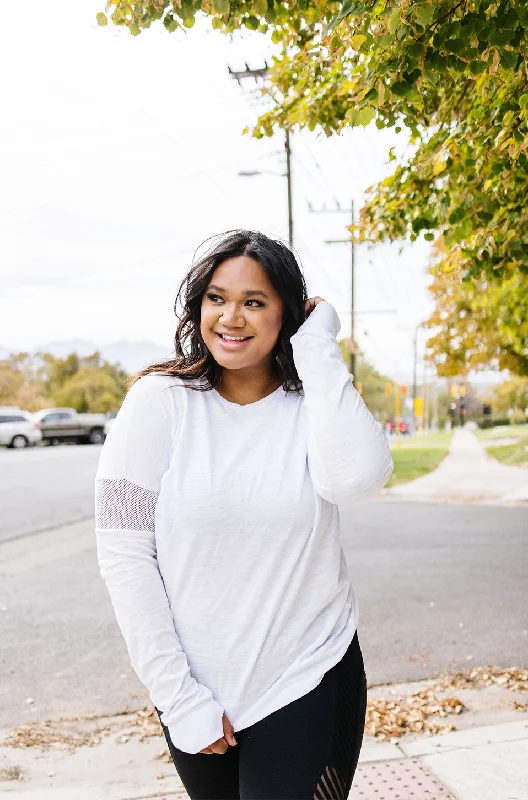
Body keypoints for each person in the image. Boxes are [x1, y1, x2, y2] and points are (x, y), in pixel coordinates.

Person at [94, 229, 393, 800]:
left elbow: (356, 479)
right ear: (197, 306)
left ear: (287, 312)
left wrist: (317, 347)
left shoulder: (313, 406)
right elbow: (123, 551)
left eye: (254, 302)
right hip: (195, 686)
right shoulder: (158, 402)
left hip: (309, 672)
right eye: (216, 297)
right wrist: (178, 695)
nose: (231, 317)